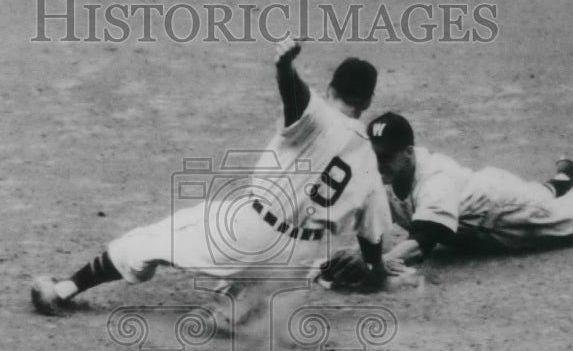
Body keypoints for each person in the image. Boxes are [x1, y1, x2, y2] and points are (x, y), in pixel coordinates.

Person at [31, 39, 393, 325]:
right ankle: (228, 310)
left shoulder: (320, 115)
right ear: (367, 102)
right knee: (261, 280)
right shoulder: (371, 166)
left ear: (331, 88)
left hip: (250, 233)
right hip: (296, 260)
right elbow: (372, 239)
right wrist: (377, 274)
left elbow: (295, 95)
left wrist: (284, 66)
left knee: (150, 240)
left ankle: (61, 291)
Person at [360, 111, 573, 267]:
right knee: (541, 197)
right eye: (373, 155)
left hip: (501, 209)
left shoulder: (435, 182)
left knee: (568, 225)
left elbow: (420, 245)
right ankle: (566, 178)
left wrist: (379, 263)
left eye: (386, 156)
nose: (378, 163)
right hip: (483, 192)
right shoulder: (381, 176)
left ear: (409, 152)